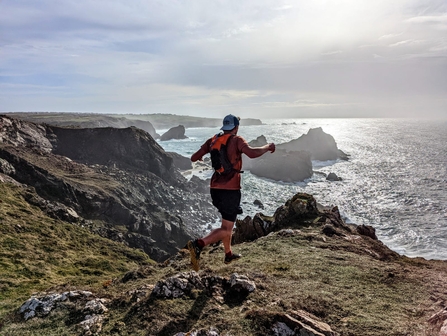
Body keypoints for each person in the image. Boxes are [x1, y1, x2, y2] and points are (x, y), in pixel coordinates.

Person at [187, 114, 275, 271]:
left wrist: (202, 158)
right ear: (236, 127)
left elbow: (194, 158)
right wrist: (268, 147)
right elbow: (252, 153)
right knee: (227, 229)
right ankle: (198, 244)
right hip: (230, 191)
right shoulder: (237, 140)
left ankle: (228, 254)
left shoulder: (212, 140)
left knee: (226, 224)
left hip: (215, 189)